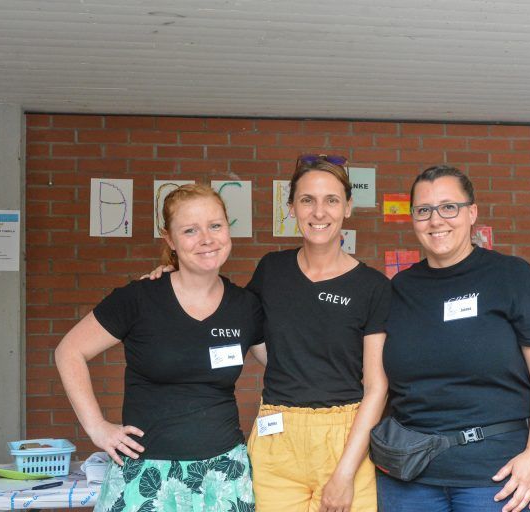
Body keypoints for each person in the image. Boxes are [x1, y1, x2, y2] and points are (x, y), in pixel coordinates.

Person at [148, 155, 390, 512]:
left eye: (331, 200)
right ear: (291, 208)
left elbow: (377, 387)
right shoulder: (272, 270)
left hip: (346, 439)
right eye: (307, 200)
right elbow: (226, 310)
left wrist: (344, 474)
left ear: (348, 207)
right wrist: (172, 274)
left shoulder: (373, 286)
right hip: (278, 434)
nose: (319, 212)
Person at [55, 184, 263, 512]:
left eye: (215, 225)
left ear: (228, 228)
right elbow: (69, 351)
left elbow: (285, 367)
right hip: (146, 473)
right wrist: (97, 427)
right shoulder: (140, 299)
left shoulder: (246, 306)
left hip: (222, 475)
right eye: (190, 230)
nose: (207, 239)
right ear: (170, 239)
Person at [377, 165, 530, 512]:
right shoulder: (399, 290)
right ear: (413, 219)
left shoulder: (511, 276)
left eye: (449, 207)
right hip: (410, 480)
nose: (436, 220)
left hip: (500, 477)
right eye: (424, 210)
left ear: (471, 213)